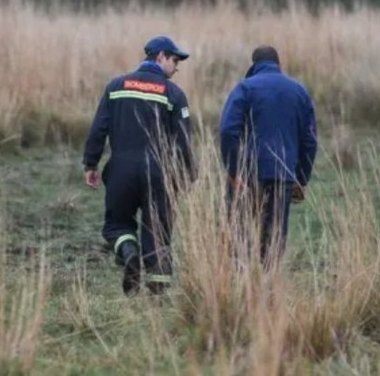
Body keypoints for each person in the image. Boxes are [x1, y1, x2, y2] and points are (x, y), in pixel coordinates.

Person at [83, 36, 195, 295]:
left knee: (117, 225)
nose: (176, 67)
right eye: (174, 60)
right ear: (160, 57)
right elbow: (184, 140)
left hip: (121, 170)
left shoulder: (116, 86)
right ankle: (157, 292)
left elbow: (98, 128)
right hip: (159, 172)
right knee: (157, 230)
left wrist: (91, 163)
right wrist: (187, 175)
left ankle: (129, 251)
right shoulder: (173, 93)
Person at [219, 45, 318, 267]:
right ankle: (268, 280)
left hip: (248, 173)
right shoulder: (299, 91)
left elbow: (228, 131)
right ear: (279, 64)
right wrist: (301, 178)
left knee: (241, 230)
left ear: (254, 65)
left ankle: (241, 278)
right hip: (283, 173)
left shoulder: (245, 88)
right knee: (274, 233)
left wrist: (234, 170)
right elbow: (310, 140)